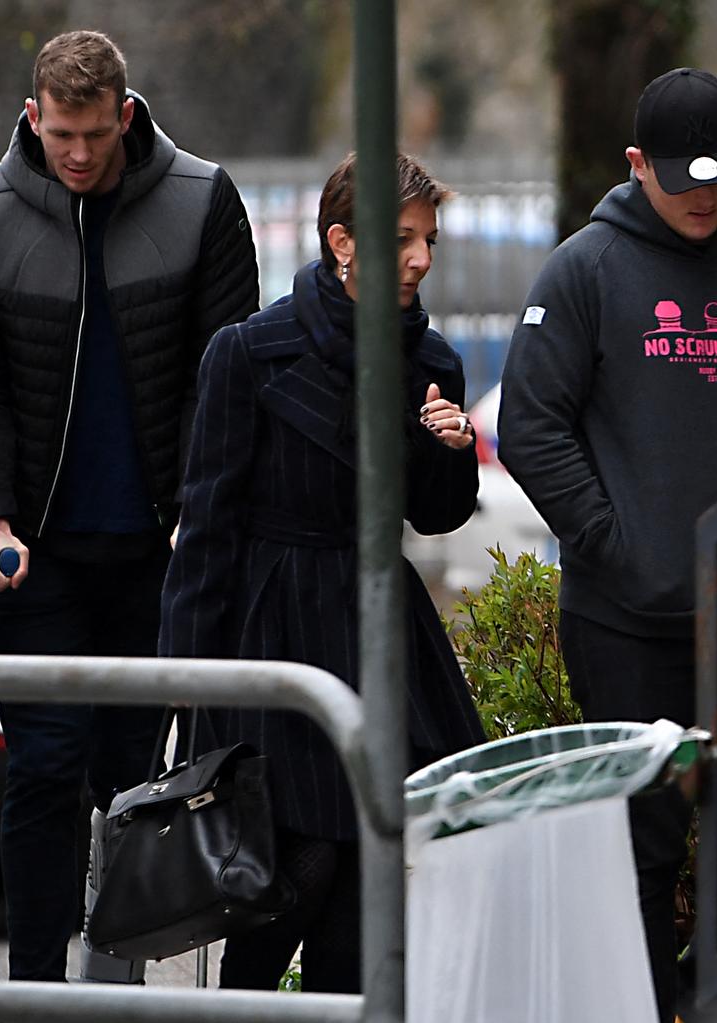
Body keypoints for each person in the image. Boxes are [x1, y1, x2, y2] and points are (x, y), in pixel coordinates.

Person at [497, 68, 717, 1022]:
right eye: (682, 177)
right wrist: (623, 548)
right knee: (643, 849)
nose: (704, 196)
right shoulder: (585, 270)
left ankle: (702, 989)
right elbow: (531, 425)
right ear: (634, 167)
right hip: (630, 624)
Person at [0, 29, 260, 982]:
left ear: (127, 115)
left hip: (160, 545)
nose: (78, 155)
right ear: (33, 118)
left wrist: (200, 510)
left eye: (95, 135)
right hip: (38, 550)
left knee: (135, 775)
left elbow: (223, 375)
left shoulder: (203, 200)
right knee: (42, 765)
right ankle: (35, 984)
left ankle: (116, 977)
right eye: (61, 134)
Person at [160, 152, 488, 994]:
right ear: (343, 242)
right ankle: (240, 1010)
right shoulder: (249, 352)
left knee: (365, 871)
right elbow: (207, 525)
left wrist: (447, 449)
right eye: (401, 241)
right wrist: (184, 677)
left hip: (378, 622)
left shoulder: (433, 361)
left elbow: (438, 513)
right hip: (276, 625)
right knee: (293, 867)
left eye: (429, 240)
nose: (420, 258)